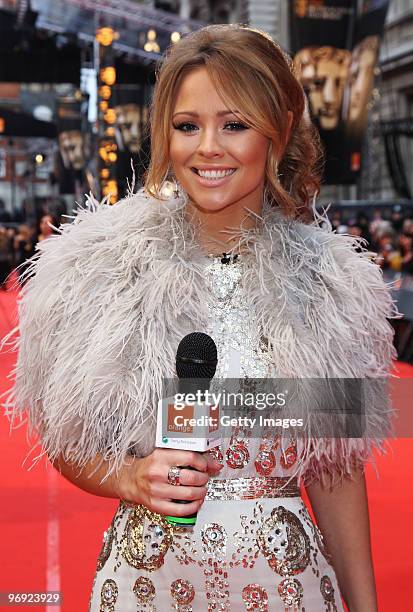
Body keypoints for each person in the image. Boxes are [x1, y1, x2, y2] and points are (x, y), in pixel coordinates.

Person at [4, 25, 399, 611]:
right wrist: (129, 480)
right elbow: (69, 437)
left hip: (287, 589)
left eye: (234, 125)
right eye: (187, 126)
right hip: (148, 586)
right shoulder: (101, 267)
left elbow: (336, 472)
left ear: (280, 129)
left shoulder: (331, 285)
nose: (207, 147)